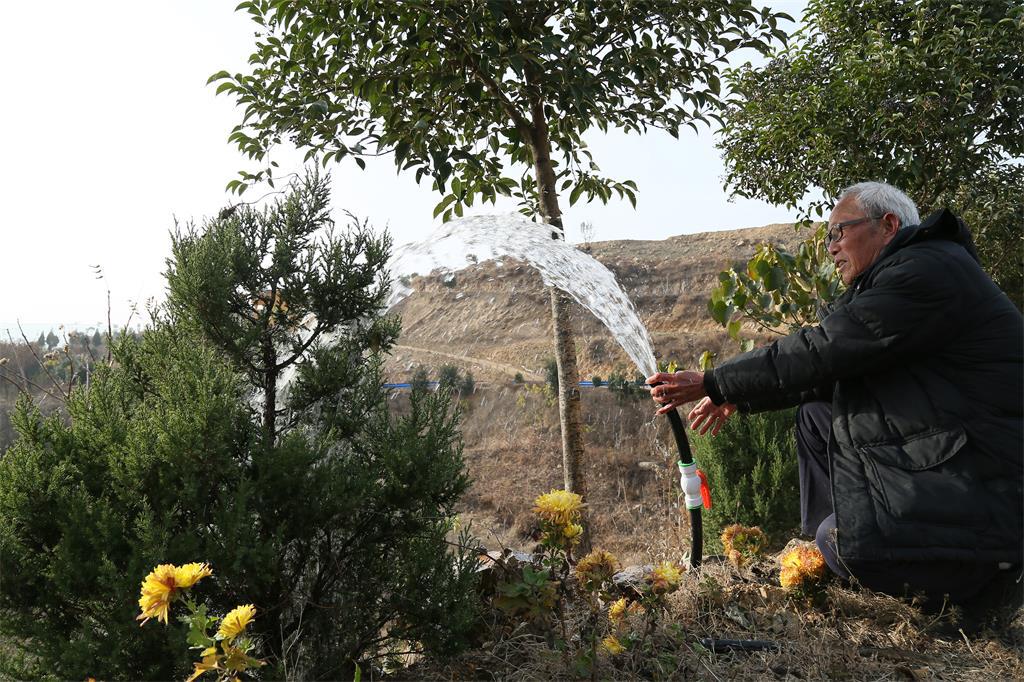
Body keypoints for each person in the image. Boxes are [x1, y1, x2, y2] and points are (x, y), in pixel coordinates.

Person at [647, 181, 1023, 618]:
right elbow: (833, 373)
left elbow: (825, 349)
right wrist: (739, 397)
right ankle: (840, 550)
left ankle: (964, 589)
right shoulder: (913, 273)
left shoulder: (927, 272)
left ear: (888, 225)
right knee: (816, 415)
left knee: (837, 541)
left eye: (839, 232)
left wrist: (715, 381)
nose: (830, 248)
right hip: (962, 457)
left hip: (988, 487)